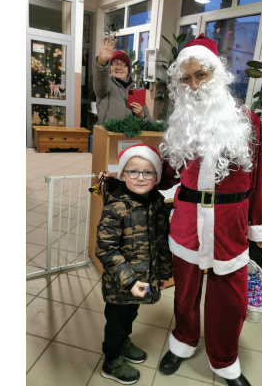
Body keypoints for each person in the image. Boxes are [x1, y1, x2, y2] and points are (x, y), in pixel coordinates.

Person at [155, 34, 262, 386]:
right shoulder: (180, 121)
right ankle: (184, 340)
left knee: (230, 300)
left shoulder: (247, 121)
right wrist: (133, 176)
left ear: (217, 74)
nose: (193, 85)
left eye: (201, 75)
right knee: (185, 293)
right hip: (187, 221)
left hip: (229, 224)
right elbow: (167, 171)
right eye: (185, 78)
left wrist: (260, 226)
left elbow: (259, 180)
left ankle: (225, 361)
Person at [96, 143, 172, 385]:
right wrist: (129, 282)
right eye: (133, 171)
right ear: (122, 175)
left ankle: (123, 343)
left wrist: (164, 272)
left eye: (148, 172)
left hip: (145, 279)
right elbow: (106, 250)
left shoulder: (158, 204)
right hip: (121, 284)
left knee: (131, 315)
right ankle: (111, 360)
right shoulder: (115, 208)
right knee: (116, 322)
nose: (141, 177)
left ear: (156, 177)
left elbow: (162, 242)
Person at [93, 36, 152, 125]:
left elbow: (150, 124)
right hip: (108, 133)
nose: (118, 67)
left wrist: (142, 115)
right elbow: (100, 79)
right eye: (115, 64)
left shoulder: (136, 92)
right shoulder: (106, 86)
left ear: (128, 70)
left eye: (122, 64)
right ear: (110, 68)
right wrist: (102, 62)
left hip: (129, 134)